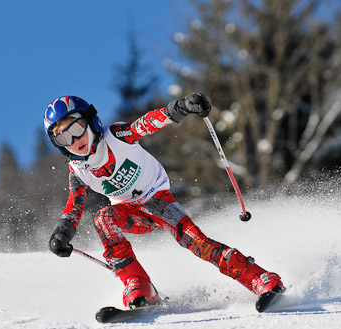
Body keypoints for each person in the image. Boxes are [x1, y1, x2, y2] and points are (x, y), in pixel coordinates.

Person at [44, 94, 284, 309]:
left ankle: (258, 277)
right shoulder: (78, 171)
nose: (74, 140)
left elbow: (147, 124)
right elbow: (73, 207)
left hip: (157, 199)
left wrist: (180, 108)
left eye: (76, 128)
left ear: (91, 121)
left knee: (197, 243)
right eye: (64, 138)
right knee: (104, 219)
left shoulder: (116, 136)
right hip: (130, 212)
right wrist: (62, 233)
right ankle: (138, 285)